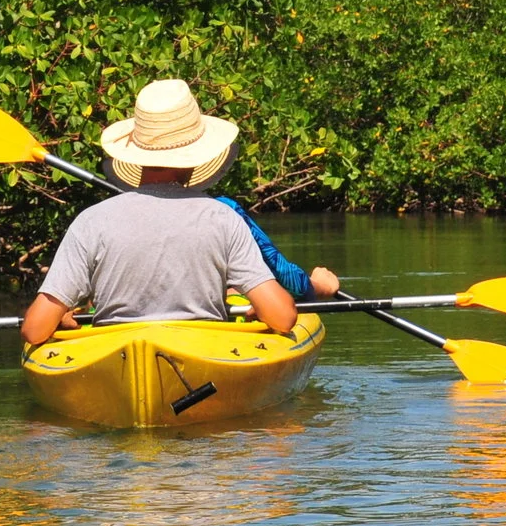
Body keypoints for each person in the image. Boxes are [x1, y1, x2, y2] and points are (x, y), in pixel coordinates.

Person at [20, 79, 332, 346]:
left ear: (137, 155)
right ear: (197, 155)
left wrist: (60, 316)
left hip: (114, 348)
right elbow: (283, 317)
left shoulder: (90, 221)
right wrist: (261, 308)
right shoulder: (222, 218)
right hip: (204, 348)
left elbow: (34, 330)